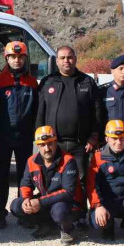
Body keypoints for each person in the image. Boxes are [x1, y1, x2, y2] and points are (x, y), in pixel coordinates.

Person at [36, 45, 104, 224]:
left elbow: (98, 112)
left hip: (80, 144)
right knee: (51, 180)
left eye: (70, 57)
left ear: (75, 58)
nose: (67, 61)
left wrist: (93, 137)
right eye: (63, 58)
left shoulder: (87, 82)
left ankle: (80, 217)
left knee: (80, 180)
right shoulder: (47, 82)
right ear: (56, 61)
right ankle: (50, 218)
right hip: (52, 144)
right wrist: (39, 141)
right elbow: (40, 114)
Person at [0, 41, 38, 229]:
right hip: (3, 137)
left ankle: (22, 212)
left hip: (24, 137)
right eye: (13, 57)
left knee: (24, 177)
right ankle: (0, 213)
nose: (17, 60)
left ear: (25, 58)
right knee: (1, 175)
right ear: (7, 58)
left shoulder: (32, 83)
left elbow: (36, 111)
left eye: (20, 57)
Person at [10, 126, 83, 246]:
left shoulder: (68, 161)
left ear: (55, 142)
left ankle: (67, 229)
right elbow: (25, 184)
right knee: (16, 205)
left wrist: (39, 202)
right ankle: (47, 225)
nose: (47, 148)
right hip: (45, 202)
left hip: (66, 204)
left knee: (60, 211)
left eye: (50, 144)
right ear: (37, 146)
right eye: (42, 145)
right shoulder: (31, 161)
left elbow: (68, 192)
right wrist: (27, 200)